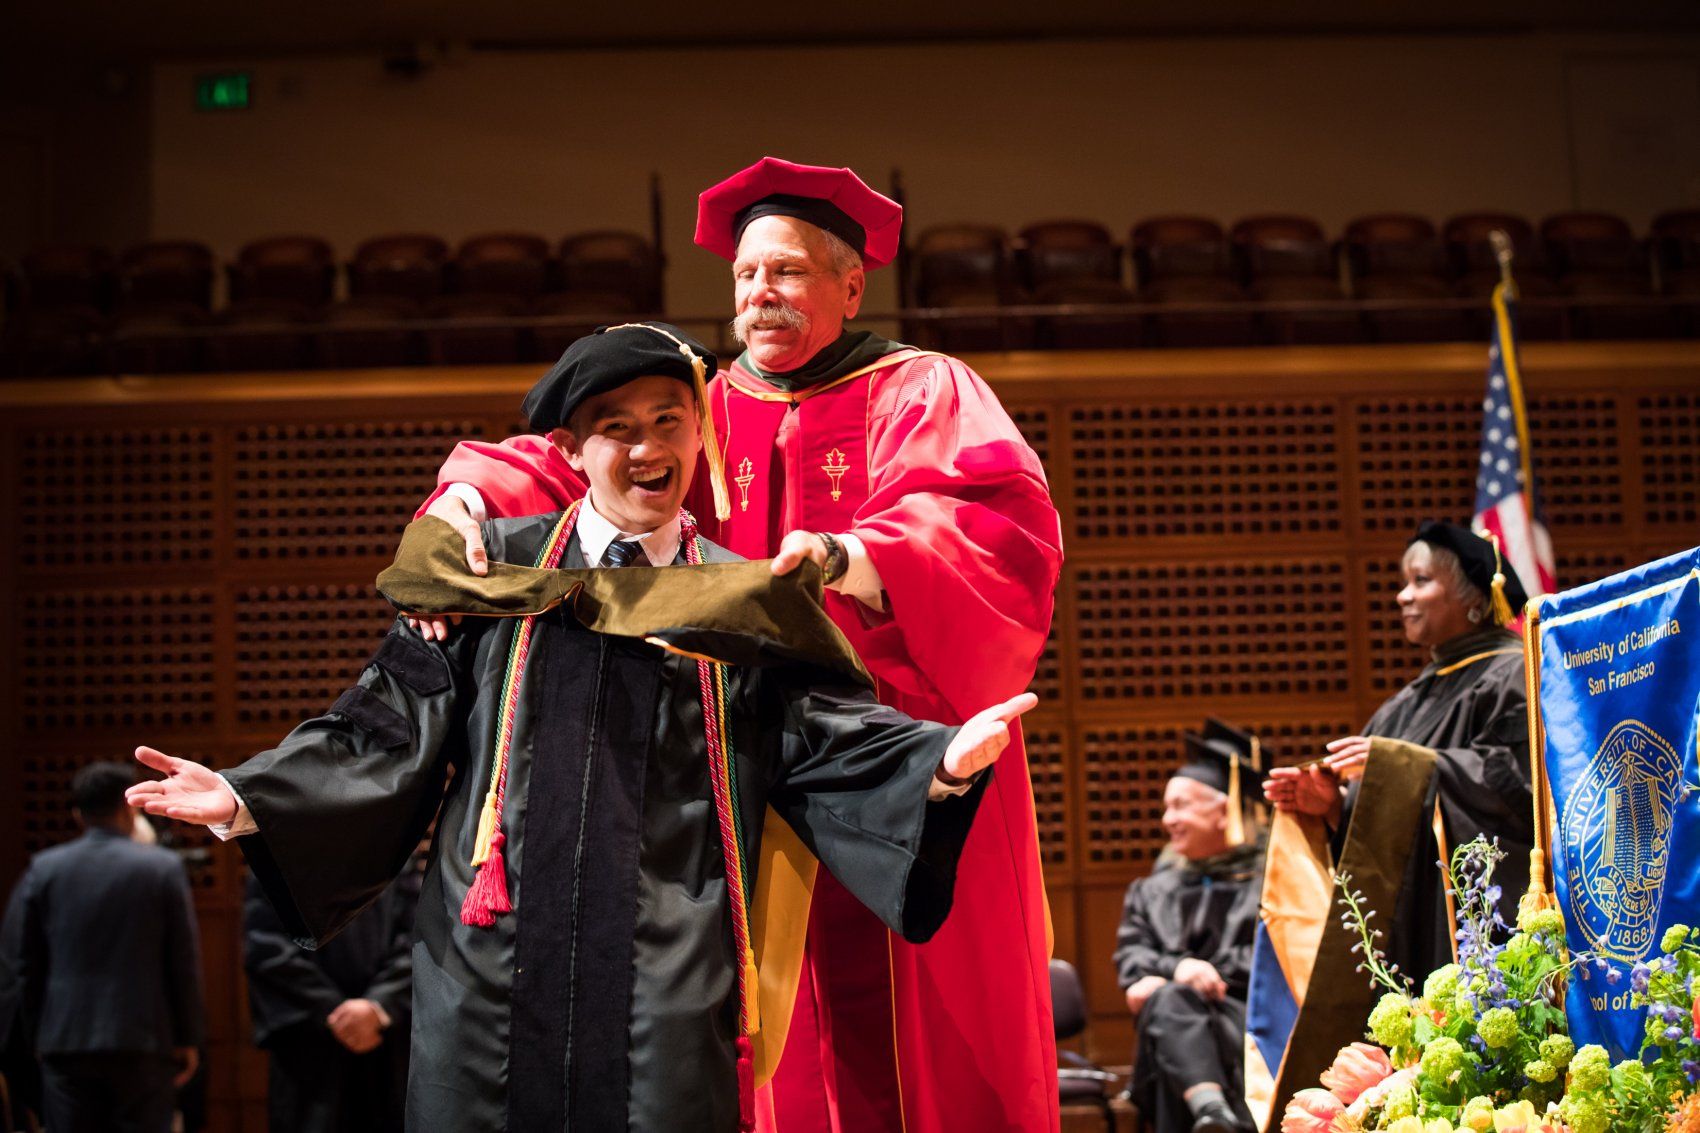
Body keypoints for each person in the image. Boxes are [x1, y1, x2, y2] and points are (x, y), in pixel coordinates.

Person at [128, 322, 1037, 1132]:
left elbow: (823, 735)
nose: (649, 447)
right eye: (618, 426)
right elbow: (391, 724)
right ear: (568, 447)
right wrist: (250, 795)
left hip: (667, 974)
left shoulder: (742, 599)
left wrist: (935, 765)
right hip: (488, 966)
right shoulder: (497, 576)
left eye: (670, 420)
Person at [413, 155, 1064, 1133]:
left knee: (935, 1040)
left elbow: (994, 527)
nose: (761, 293)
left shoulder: (925, 388)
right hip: (743, 761)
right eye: (747, 275)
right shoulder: (697, 405)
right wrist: (463, 500)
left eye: (789, 271)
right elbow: (563, 465)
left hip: (901, 755)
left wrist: (852, 556)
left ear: (850, 282)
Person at [1263, 520, 1533, 976]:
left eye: (1421, 581)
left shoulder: (1516, 676)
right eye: (1403, 583)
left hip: (1476, 925)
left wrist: (1402, 767)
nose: (1402, 597)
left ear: (1472, 597)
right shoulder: (1405, 704)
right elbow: (1386, 821)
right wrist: (1336, 805)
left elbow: (1519, 785)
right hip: (1409, 924)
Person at [1, 762, 204, 1133]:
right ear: (128, 809)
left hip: (65, 1041)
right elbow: (181, 960)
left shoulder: (44, 870)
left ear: (77, 813)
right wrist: (188, 1037)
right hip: (143, 1039)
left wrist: (37, 1035)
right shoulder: (161, 868)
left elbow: (25, 966)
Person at [1116, 721, 1266, 1133]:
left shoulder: (1270, 881)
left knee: (1170, 1004)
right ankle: (1214, 1114)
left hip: (1245, 1025)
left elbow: (1277, 956)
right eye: (1166, 807)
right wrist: (1179, 970)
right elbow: (1131, 956)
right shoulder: (1151, 889)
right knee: (1173, 1003)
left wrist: (1194, 977)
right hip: (1174, 1029)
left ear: (1224, 810)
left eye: (1181, 806)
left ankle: (1211, 1110)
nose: (1168, 820)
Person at [243, 865, 417, 1133]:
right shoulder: (276, 857)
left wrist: (379, 1005)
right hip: (309, 1047)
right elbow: (266, 949)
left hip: (385, 1042)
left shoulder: (394, 855)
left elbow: (419, 937)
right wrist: (334, 1012)